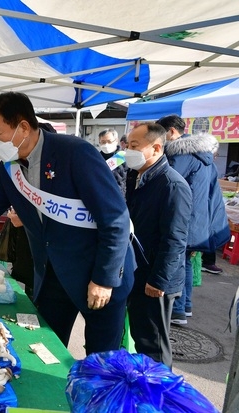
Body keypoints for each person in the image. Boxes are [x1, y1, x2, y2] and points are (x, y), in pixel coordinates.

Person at [0, 91, 135, 355]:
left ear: (22, 127)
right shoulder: (10, 168)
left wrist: (104, 279)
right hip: (52, 273)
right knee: (47, 350)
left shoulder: (75, 153)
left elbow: (115, 219)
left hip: (97, 272)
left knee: (102, 361)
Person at [124, 122, 192, 367]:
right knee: (140, 337)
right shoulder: (138, 175)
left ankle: (159, 395)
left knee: (154, 344)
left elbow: (175, 240)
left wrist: (158, 280)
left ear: (155, 148)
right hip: (138, 269)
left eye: (134, 146)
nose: (127, 150)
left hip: (155, 278)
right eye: (127, 144)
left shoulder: (172, 185)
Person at [157, 114, 230, 324]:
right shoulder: (205, 157)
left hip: (182, 219)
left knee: (176, 262)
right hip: (199, 220)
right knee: (186, 262)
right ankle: (186, 305)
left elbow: (168, 187)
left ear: (171, 131)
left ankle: (178, 310)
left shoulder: (180, 156)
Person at [98, 128, 128, 197]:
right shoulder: (96, 158)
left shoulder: (123, 157)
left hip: (118, 197)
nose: (106, 144)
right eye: (103, 142)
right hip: (100, 196)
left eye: (109, 141)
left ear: (116, 141)